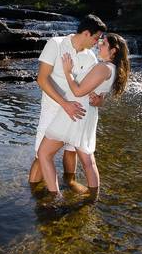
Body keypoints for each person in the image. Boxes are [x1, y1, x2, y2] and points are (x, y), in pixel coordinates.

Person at [36, 33, 130, 197]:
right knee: (88, 160)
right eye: (99, 41)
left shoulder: (103, 67)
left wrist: (67, 71)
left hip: (75, 112)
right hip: (86, 114)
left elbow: (78, 91)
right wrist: (98, 99)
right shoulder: (112, 69)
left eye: (103, 44)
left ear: (113, 51)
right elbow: (96, 93)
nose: (98, 45)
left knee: (44, 153)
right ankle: (93, 198)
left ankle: (54, 196)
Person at [28, 14, 108, 194]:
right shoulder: (55, 44)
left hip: (75, 113)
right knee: (41, 155)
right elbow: (41, 79)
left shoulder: (91, 58)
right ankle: (33, 192)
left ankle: (69, 183)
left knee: (71, 150)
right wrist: (65, 104)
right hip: (53, 108)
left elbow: (95, 89)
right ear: (86, 33)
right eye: (96, 38)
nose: (97, 43)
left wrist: (98, 100)